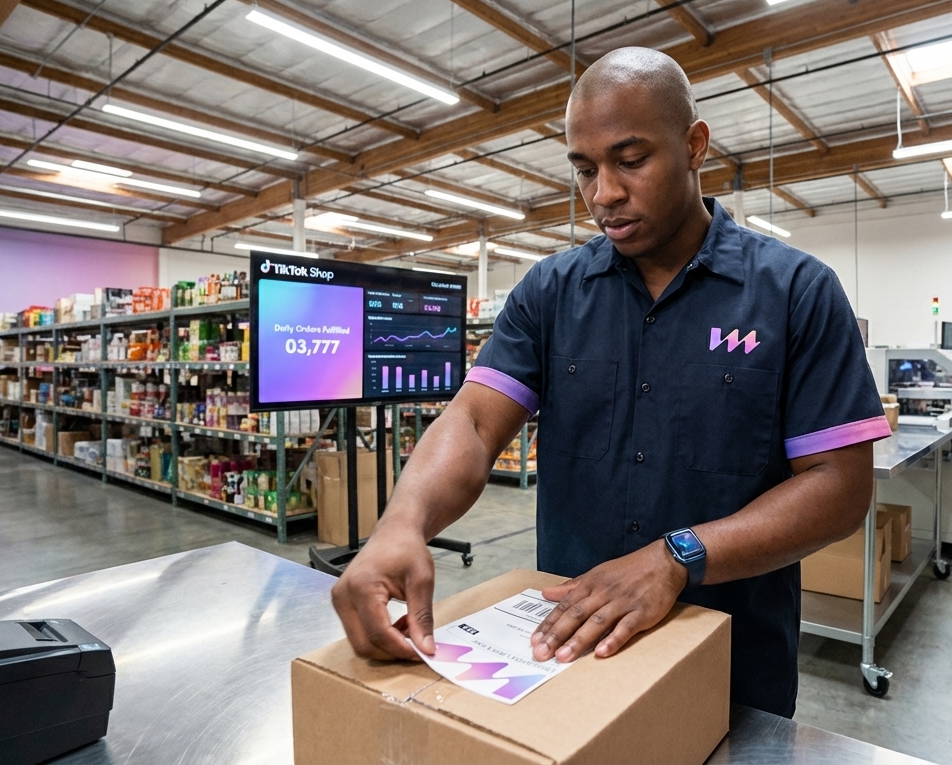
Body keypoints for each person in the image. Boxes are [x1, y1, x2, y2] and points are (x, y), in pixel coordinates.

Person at [329, 47, 890, 718]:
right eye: (583, 169)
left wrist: (679, 557)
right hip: (562, 654)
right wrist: (402, 523)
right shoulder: (551, 291)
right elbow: (476, 420)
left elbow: (838, 485)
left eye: (630, 160)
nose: (603, 194)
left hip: (730, 668)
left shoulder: (793, 291)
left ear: (693, 146)